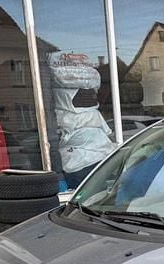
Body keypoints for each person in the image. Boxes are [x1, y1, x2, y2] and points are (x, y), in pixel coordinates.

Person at [48, 52, 115, 190]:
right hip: (84, 166)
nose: (88, 94)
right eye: (83, 92)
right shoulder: (67, 117)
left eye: (89, 92)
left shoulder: (88, 115)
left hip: (98, 162)